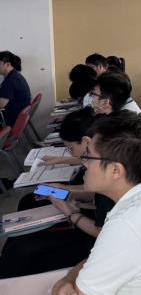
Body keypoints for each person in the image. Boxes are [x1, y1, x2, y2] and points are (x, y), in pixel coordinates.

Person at [50, 113, 141, 295]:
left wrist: (63, 283)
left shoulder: (126, 226)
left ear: (115, 170)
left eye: (89, 157)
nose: (84, 164)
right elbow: (98, 258)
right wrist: (71, 278)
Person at [0, 108, 115, 278]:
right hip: (86, 222)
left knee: (19, 251)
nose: (82, 163)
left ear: (87, 142)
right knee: (25, 214)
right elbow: (92, 195)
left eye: (70, 148)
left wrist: (70, 211)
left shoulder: (105, 172)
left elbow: (101, 229)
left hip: (93, 245)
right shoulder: (102, 162)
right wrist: (64, 192)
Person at [0, 51, 31, 127]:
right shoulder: (16, 76)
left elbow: (1, 105)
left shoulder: (10, 81)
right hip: (19, 116)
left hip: (13, 119)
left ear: (7, 64)